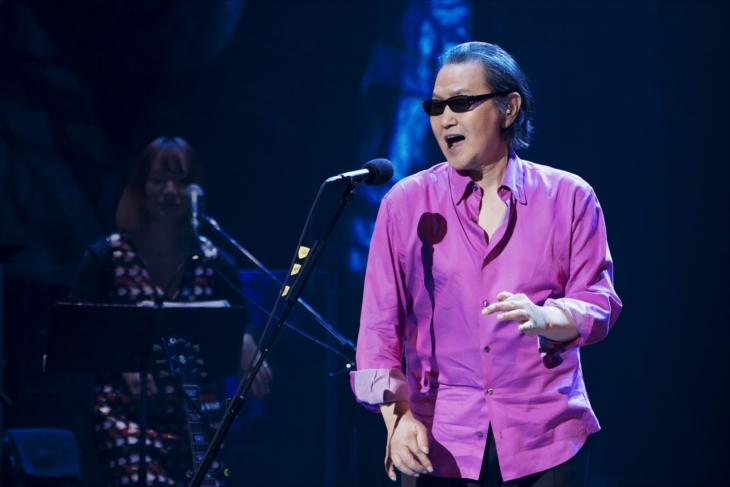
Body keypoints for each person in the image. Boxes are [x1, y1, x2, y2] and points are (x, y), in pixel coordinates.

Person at [350, 42, 621, 487]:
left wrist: (547, 317)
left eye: (461, 103)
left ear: (508, 108)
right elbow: (378, 331)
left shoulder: (570, 196)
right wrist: (397, 420)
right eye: (436, 106)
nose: (445, 119)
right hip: (439, 443)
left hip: (546, 439)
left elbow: (599, 302)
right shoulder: (406, 204)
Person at [68, 136, 272, 487]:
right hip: (124, 417)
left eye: (181, 181)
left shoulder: (213, 260)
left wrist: (245, 341)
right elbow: (75, 327)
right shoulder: (105, 257)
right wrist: (121, 359)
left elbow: (242, 319)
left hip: (198, 416)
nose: (170, 191)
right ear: (140, 186)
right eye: (159, 179)